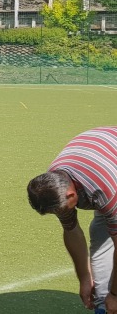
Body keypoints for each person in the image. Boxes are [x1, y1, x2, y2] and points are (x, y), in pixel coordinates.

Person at [27, 127, 117, 314]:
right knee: (100, 232)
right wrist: (84, 278)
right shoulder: (53, 185)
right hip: (102, 154)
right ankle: (103, 306)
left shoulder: (106, 189)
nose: (61, 214)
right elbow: (71, 229)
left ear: (71, 194)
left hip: (108, 169)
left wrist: (115, 295)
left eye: (60, 210)